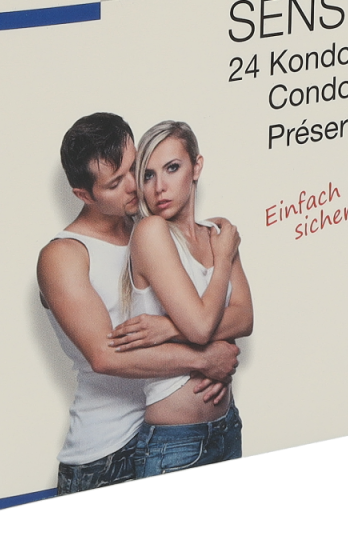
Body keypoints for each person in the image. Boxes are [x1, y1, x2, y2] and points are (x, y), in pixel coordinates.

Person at [37, 113, 240, 494]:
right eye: (115, 183)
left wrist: (176, 332)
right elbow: (105, 357)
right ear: (83, 195)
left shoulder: (154, 229)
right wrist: (203, 359)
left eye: (134, 169)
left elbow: (209, 314)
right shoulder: (64, 255)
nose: (134, 186)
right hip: (104, 454)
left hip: (170, 432)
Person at [111, 120, 253, 477]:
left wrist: (167, 328)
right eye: (148, 175)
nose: (159, 187)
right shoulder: (151, 232)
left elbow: (245, 318)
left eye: (172, 168)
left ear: (196, 167)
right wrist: (223, 260)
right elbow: (201, 327)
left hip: (227, 427)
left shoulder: (217, 231)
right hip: (173, 445)